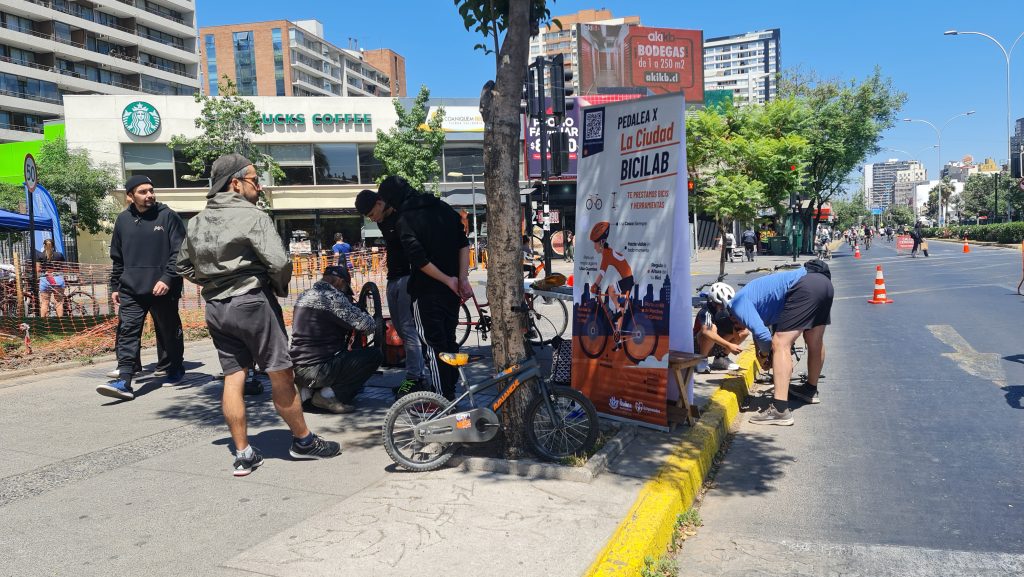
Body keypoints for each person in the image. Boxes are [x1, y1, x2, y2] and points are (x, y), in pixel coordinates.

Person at [177, 153, 342, 476]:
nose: (259, 186)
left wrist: (211, 281)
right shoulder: (253, 216)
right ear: (235, 184)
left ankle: (243, 452)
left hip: (216, 308)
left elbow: (182, 266)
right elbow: (280, 263)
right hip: (252, 302)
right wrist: (276, 288)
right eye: (254, 179)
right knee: (280, 373)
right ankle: (304, 441)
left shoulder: (196, 221)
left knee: (234, 377)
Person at [378, 175, 471, 401]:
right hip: (452, 292)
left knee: (433, 346)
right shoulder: (443, 208)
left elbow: (419, 260)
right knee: (449, 341)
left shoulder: (405, 219)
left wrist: (447, 280)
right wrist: (461, 279)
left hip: (427, 291)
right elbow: (464, 243)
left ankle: (441, 399)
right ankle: (449, 393)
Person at [96, 175, 185, 401]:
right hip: (131, 289)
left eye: (151, 190)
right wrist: (115, 284)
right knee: (127, 331)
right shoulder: (123, 220)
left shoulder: (168, 217)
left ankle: (175, 366)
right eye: (143, 192)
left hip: (162, 288)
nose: (149, 195)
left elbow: (179, 253)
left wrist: (167, 278)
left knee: (168, 331)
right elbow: (118, 256)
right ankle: (124, 379)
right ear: (130, 197)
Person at [726, 259, 834, 426]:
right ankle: (810, 390)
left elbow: (764, 336)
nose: (741, 328)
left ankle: (780, 410)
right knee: (814, 340)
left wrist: (764, 354)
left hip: (805, 285)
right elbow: (760, 332)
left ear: (732, 317)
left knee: (780, 344)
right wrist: (763, 354)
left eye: (737, 327)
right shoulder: (756, 302)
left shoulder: (737, 304)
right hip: (823, 284)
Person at [355, 189, 425, 398]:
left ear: (380, 202)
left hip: (407, 278)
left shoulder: (402, 216)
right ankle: (415, 373)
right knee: (401, 330)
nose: (371, 218)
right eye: (367, 216)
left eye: (371, 213)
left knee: (408, 329)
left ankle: (415, 378)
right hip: (393, 279)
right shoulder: (382, 222)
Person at [290, 265, 382, 413]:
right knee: (374, 355)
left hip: (298, 366)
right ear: (340, 281)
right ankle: (327, 395)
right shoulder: (333, 297)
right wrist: (359, 311)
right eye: (346, 287)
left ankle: (306, 392)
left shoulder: (304, 295)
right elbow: (368, 326)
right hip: (318, 369)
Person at [590, 221, 634, 350]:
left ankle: (620, 310)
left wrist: (594, 285)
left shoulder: (607, 254)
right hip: (628, 279)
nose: (594, 247)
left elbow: (601, 272)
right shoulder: (608, 252)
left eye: (595, 244)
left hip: (627, 279)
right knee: (618, 314)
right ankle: (618, 342)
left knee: (610, 289)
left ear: (602, 242)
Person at [693, 282, 749, 373]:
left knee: (743, 331)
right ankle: (702, 360)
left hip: (715, 345)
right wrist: (729, 345)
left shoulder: (727, 310)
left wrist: (736, 328)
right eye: (721, 305)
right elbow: (706, 332)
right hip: (698, 346)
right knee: (711, 329)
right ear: (714, 303)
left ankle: (721, 358)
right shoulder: (705, 311)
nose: (724, 307)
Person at [35, 238, 66, 317]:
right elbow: (64, 268)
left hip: (45, 280)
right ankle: (60, 323)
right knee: (59, 302)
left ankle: (43, 323)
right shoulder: (59, 255)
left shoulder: (39, 255)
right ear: (53, 245)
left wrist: (38, 278)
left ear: (44, 246)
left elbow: (38, 270)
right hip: (58, 280)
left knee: (45, 303)